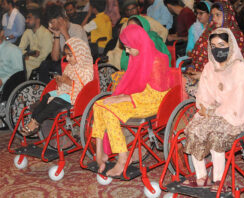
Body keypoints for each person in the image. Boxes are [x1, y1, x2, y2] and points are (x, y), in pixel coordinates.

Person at [182, 28, 244, 191]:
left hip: (237, 114)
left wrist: (213, 113)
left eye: (221, 44)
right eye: (213, 45)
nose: (217, 49)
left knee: (215, 136)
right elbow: (203, 94)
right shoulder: (209, 68)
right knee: (194, 130)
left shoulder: (239, 68)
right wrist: (205, 107)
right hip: (215, 112)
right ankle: (201, 177)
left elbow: (239, 102)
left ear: (230, 45)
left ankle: (218, 181)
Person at [91, 24, 178, 176]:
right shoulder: (138, 56)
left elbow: (155, 95)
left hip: (154, 103)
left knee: (110, 111)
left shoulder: (158, 60)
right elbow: (133, 83)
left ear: (139, 43)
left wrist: (123, 98)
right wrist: (120, 97)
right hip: (139, 98)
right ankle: (100, 152)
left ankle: (123, 157)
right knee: (99, 105)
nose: (127, 51)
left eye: (129, 47)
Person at [20, 37, 94, 136]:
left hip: (79, 96)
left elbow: (85, 87)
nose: (67, 58)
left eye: (70, 55)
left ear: (79, 54)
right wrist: (60, 81)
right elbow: (63, 84)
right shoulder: (70, 66)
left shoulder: (87, 69)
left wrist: (68, 82)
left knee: (56, 99)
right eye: (66, 55)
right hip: (67, 92)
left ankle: (36, 122)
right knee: (47, 95)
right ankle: (33, 120)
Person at [186, 1, 244, 98]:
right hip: (204, 73)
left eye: (218, 15)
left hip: (224, 80)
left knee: (195, 88)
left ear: (227, 15)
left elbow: (229, 68)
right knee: (183, 81)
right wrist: (192, 66)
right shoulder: (210, 30)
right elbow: (198, 51)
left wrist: (204, 75)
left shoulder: (236, 36)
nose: (214, 19)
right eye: (212, 15)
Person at [106, 0, 168, 69]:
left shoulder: (147, 20)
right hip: (127, 49)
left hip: (142, 49)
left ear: (138, 8)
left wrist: (152, 42)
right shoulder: (125, 24)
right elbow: (120, 44)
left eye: (133, 9)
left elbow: (163, 31)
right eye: (128, 10)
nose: (131, 11)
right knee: (112, 55)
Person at [38, 4, 88, 84]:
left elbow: (75, 55)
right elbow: (55, 58)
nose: (51, 25)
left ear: (61, 19)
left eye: (52, 22)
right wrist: (57, 35)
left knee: (57, 69)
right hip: (65, 64)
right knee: (45, 65)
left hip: (80, 65)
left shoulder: (78, 29)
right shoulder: (56, 31)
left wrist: (65, 33)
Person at [19, 9, 53, 79]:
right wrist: (29, 54)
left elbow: (44, 57)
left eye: (29, 18)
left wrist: (29, 57)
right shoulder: (28, 31)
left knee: (23, 65)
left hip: (40, 64)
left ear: (37, 20)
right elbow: (19, 49)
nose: (26, 21)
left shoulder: (46, 34)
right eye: (26, 18)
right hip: (30, 59)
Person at [175, 1, 211, 68]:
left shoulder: (213, 28)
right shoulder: (193, 28)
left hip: (209, 58)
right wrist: (190, 53)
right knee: (179, 62)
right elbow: (189, 47)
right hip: (195, 56)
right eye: (197, 13)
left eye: (201, 13)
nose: (198, 16)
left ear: (209, 14)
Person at [0, 24, 23, 91]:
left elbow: (18, 73)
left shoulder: (13, 50)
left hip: (6, 87)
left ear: (2, 33)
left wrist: (3, 80)